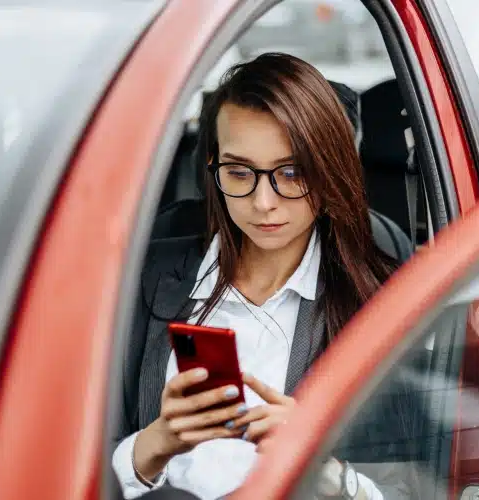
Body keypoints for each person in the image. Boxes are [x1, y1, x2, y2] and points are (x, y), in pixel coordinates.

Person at [112, 53, 407, 499]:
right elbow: (63, 459)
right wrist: (151, 447)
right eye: (239, 172)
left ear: (329, 171)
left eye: (291, 173)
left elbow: (411, 485)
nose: (263, 201)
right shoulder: (144, 277)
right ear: (213, 167)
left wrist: (320, 467)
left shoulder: (378, 301)